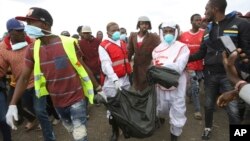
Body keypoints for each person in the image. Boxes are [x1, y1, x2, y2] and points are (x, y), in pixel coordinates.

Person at [5, 7, 103, 141]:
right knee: (72, 131)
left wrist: (98, 88)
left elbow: (83, 67)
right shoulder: (32, 49)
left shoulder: (67, 43)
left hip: (77, 100)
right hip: (58, 103)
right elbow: (23, 78)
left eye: (30, 23)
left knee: (80, 136)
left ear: (44, 24)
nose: (27, 27)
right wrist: (12, 104)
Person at [189, 0, 250, 140]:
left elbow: (247, 53)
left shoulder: (241, 24)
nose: (204, 13)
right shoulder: (208, 29)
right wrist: (183, 59)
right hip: (209, 74)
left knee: (233, 110)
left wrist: (238, 65)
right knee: (209, 105)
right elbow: (201, 53)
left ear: (215, 9)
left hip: (230, 77)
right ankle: (207, 128)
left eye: (206, 9)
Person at [152, 21, 190, 141]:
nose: (168, 33)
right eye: (165, 31)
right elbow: (154, 65)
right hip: (161, 85)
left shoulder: (182, 47)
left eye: (171, 31)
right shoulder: (156, 49)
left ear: (176, 32)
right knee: (161, 107)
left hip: (177, 85)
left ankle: (174, 136)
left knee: (177, 110)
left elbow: (179, 66)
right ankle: (160, 120)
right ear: (162, 33)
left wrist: (160, 67)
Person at [98, 22, 132, 141]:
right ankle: (115, 131)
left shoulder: (122, 43)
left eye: (117, 29)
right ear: (108, 32)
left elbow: (125, 60)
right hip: (112, 82)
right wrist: (115, 79)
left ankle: (125, 127)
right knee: (113, 108)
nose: (117, 32)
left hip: (125, 78)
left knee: (125, 105)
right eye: (113, 30)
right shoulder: (103, 46)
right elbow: (106, 65)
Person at [179, 14, 204, 120]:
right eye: (196, 20)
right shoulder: (183, 35)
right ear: (191, 21)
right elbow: (180, 51)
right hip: (189, 66)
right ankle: (197, 110)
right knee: (195, 86)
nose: (199, 21)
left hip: (201, 66)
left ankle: (189, 94)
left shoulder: (204, 33)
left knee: (197, 86)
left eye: (200, 20)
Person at [127, 16, 160, 91]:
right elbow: (130, 52)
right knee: (136, 86)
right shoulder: (133, 36)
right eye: (142, 24)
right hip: (136, 66)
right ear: (138, 25)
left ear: (149, 26)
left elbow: (158, 51)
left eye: (146, 24)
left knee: (147, 87)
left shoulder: (154, 37)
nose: (144, 26)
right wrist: (126, 65)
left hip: (148, 66)